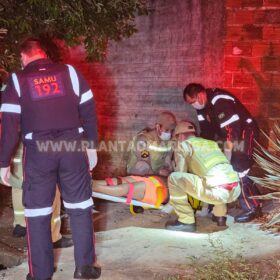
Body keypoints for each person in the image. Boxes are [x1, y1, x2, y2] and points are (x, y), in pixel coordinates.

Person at [0, 37, 100, 280]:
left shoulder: (17, 80)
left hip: (39, 152)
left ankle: (41, 274)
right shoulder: (71, 73)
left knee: (37, 213)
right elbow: (88, 111)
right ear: (44, 54)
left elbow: (9, 126)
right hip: (72, 147)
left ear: (24, 57)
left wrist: (3, 162)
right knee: (80, 207)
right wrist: (92, 147)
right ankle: (84, 268)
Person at [183, 83, 261, 223]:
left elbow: (232, 130)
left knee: (238, 167)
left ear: (200, 95)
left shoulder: (220, 100)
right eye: (190, 103)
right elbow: (207, 132)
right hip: (227, 136)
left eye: (193, 101)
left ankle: (253, 208)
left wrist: (227, 157)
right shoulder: (202, 109)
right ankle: (223, 205)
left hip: (244, 132)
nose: (193, 105)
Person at [166, 121, 241, 232]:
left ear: (180, 136)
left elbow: (180, 173)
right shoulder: (211, 143)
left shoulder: (184, 145)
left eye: (176, 139)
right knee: (214, 179)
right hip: (235, 189)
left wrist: (171, 203)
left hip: (215, 192)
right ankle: (220, 216)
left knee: (174, 178)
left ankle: (186, 220)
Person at [127, 111, 176, 177]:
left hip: (157, 174)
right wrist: (158, 173)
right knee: (142, 166)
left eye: (172, 130)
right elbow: (144, 160)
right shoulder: (142, 140)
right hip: (139, 174)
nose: (169, 133)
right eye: (167, 130)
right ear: (158, 127)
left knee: (173, 164)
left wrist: (169, 170)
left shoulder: (168, 141)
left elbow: (168, 160)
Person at [92, 175, 169, 206]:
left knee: (127, 188)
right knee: (120, 181)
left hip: (160, 192)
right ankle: (91, 182)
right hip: (157, 180)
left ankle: (91, 187)